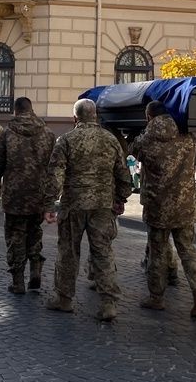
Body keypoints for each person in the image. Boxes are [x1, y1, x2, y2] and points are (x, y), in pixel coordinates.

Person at [44, 98, 132, 322]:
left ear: (75, 117)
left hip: (73, 204)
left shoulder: (66, 140)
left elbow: (56, 174)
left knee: (68, 252)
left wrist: (49, 203)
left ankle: (64, 299)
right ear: (95, 116)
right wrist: (121, 198)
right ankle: (108, 303)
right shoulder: (110, 140)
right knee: (103, 252)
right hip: (103, 205)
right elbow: (123, 173)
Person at [131, 101, 196, 317]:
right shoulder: (188, 138)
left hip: (158, 205)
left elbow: (133, 150)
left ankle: (156, 297)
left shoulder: (146, 140)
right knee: (188, 250)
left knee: (158, 252)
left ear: (149, 117)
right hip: (184, 204)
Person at [0, 97, 55, 295]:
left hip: (14, 195)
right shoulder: (48, 134)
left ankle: (18, 282)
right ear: (32, 110)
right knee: (35, 232)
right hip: (39, 194)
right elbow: (55, 165)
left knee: (15, 236)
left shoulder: (7, 134)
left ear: (15, 112)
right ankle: (35, 270)